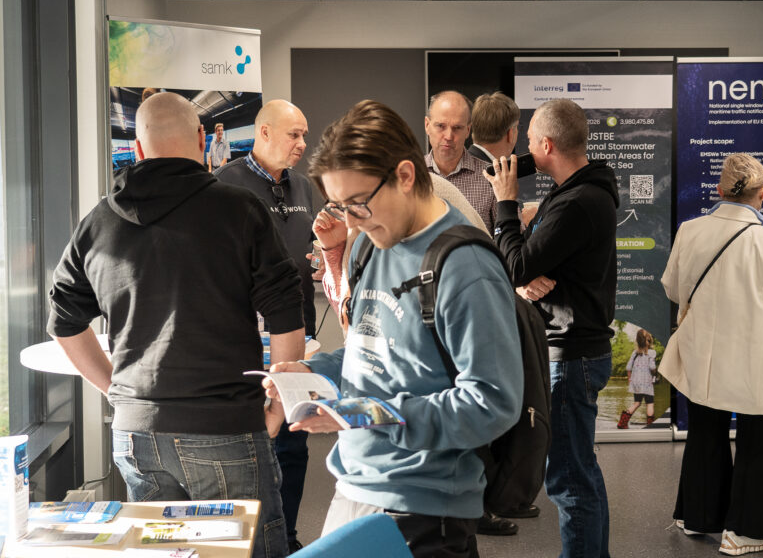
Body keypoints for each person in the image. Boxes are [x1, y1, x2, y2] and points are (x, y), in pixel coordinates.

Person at [47, 92, 304, 558]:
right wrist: (280, 403)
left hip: (136, 435)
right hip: (226, 425)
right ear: (203, 140)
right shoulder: (241, 210)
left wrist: (117, 390)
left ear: (140, 149)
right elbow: (288, 314)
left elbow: (64, 322)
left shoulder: (98, 222)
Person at [263, 99, 523, 558]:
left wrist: (365, 413)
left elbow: (493, 402)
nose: (350, 222)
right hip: (355, 483)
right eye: (340, 206)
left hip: (423, 509)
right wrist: (311, 372)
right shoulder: (370, 245)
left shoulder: (465, 268)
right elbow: (372, 349)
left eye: (358, 205)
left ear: (405, 176)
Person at [661, 152, 763, 556]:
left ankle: (697, 517)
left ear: (719, 189)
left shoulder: (690, 231)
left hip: (702, 360)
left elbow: (673, 290)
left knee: (705, 435)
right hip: (755, 366)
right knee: (755, 444)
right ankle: (743, 533)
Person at [486, 98, 619, 558]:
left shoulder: (577, 201)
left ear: (546, 144)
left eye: (528, 141)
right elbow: (526, 267)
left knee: (568, 478)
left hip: (572, 354)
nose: (523, 149)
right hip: (576, 349)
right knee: (580, 470)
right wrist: (524, 266)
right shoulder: (577, 193)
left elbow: (519, 263)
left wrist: (506, 206)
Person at [215, 99, 314, 553]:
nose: (302, 143)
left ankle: (287, 538)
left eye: (304, 134)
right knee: (251, 445)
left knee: (293, 444)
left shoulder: (305, 187)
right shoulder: (223, 185)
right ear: (265, 132)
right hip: (244, 343)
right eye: (293, 134)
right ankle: (250, 542)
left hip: (297, 338)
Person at [425, 90, 496, 234]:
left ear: (468, 130)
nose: (449, 136)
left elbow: (509, 242)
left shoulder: (492, 178)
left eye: (457, 128)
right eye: (441, 126)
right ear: (427, 125)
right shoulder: (410, 175)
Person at [617, 329, 658, 428]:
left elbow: (628, 367)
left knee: (637, 403)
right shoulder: (651, 353)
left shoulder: (634, 353)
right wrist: (655, 373)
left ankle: (622, 423)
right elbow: (652, 367)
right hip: (647, 383)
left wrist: (630, 380)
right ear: (648, 341)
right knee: (650, 403)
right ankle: (650, 425)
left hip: (636, 382)